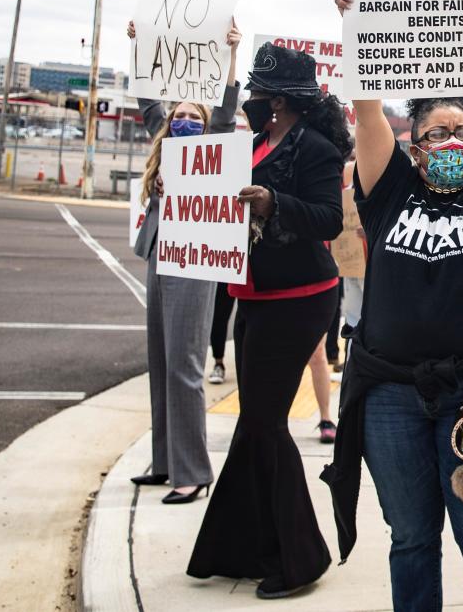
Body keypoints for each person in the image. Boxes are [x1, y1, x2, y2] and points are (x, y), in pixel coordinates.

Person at [321, 0, 463, 612]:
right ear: (413, 148)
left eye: (461, 132)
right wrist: (357, 24)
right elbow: (365, 110)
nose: (452, 141)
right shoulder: (388, 190)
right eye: (437, 134)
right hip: (390, 395)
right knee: (412, 538)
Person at [187, 42, 351, 600]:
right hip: (253, 293)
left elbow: (328, 219)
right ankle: (242, 547)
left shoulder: (318, 149)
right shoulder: (253, 143)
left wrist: (272, 202)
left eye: (258, 92)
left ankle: (301, 557)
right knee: (255, 420)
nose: (252, 100)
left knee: (263, 420)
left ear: (279, 100)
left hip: (301, 296)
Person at [127, 19, 241, 504]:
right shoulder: (164, 143)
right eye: (181, 116)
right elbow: (147, 100)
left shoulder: (213, 145)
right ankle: (166, 460)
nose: (186, 122)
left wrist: (232, 54)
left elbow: (229, 107)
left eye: (195, 116)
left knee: (185, 364)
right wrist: (138, 46)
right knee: (160, 358)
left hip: (195, 261)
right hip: (160, 253)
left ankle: (193, 472)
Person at [208, 284, 234, 384]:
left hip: (249, 272)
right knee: (218, 315)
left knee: (249, 314)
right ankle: (218, 363)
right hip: (226, 274)